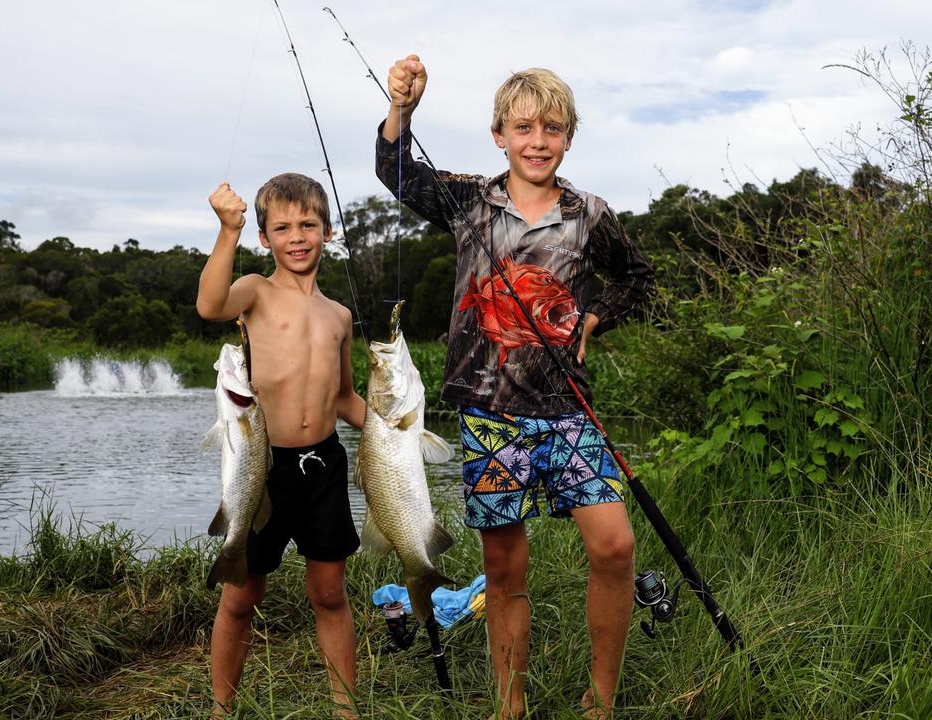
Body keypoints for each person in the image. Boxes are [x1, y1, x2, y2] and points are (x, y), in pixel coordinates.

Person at [376, 56, 654, 719]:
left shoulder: (590, 214)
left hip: (568, 413)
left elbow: (638, 278)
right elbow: (395, 172)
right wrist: (402, 109)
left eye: (552, 128)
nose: (538, 140)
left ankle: (601, 701)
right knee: (504, 569)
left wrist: (596, 317)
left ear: (568, 138)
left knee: (615, 545)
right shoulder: (470, 199)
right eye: (524, 127)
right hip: (492, 417)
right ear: (499, 134)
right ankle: (511, 705)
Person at [197, 173, 366, 718]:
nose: (297, 236)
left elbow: (344, 397)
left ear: (327, 231)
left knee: (330, 594)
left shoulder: (339, 315)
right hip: (260, 467)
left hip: (325, 467)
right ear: (265, 238)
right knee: (241, 596)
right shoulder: (255, 291)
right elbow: (210, 304)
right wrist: (228, 230)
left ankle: (345, 708)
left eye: (308, 225)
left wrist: (396, 432)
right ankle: (223, 707)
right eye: (283, 227)